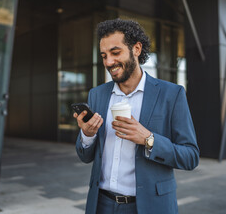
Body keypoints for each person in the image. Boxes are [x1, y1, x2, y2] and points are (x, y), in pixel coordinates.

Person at [74, 18, 199, 214]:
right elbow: (84, 156)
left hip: (149, 206)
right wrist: (87, 135)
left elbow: (190, 156)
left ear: (137, 49)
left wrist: (149, 140)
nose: (108, 62)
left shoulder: (171, 94)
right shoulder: (97, 94)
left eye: (115, 53)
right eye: (104, 55)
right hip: (102, 205)